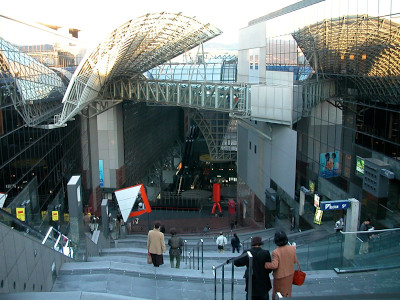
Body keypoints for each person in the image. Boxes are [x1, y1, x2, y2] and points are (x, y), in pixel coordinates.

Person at [264, 231, 299, 298]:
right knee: (288, 292)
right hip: (290, 274)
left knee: (278, 294)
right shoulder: (292, 248)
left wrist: (266, 264)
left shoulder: (276, 252)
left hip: (280, 277)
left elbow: (275, 265)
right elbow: (294, 261)